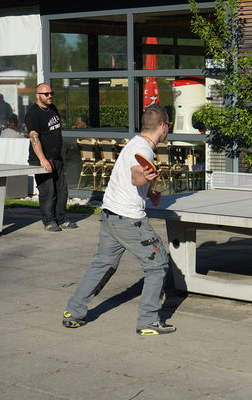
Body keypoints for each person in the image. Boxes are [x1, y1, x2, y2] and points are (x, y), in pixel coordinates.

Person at [62, 104, 176, 336]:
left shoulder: (133, 143)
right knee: (158, 266)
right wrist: (143, 180)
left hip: (109, 217)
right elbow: (135, 176)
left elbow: (130, 177)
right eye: (168, 127)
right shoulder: (144, 148)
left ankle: (73, 312)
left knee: (102, 264)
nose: (168, 131)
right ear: (163, 126)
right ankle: (148, 321)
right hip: (129, 221)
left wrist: (150, 190)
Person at [25, 83, 78, 232]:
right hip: (42, 159)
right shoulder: (33, 113)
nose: (50, 96)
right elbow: (34, 137)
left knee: (62, 190)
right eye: (46, 94)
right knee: (48, 192)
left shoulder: (52, 109)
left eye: (51, 93)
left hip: (56, 157)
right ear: (38, 95)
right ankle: (49, 221)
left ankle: (61, 219)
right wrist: (42, 160)